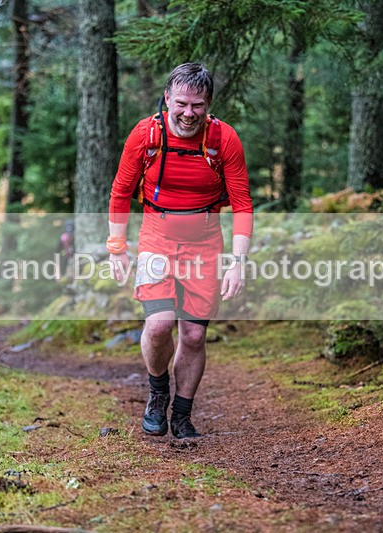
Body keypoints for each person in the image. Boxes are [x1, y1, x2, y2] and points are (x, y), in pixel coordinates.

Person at [107, 63, 253, 439]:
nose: (189, 113)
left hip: (205, 243)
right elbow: (120, 192)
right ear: (167, 99)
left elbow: (242, 205)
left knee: (193, 336)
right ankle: (158, 393)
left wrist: (238, 262)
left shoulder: (224, 139)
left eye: (198, 105)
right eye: (182, 104)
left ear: (209, 105)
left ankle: (183, 414)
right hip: (156, 238)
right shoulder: (145, 135)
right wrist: (117, 247)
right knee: (158, 326)